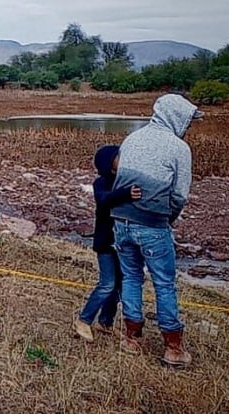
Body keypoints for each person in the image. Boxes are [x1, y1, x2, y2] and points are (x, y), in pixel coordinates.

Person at [111, 93, 203, 367]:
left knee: (131, 278)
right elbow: (179, 196)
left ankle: (131, 339)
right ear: (177, 117)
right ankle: (173, 349)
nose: (189, 125)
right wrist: (167, 220)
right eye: (188, 120)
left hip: (121, 222)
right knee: (163, 283)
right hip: (152, 225)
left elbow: (121, 182)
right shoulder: (178, 148)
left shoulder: (132, 138)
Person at [74, 145, 141, 342]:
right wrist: (126, 194)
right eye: (118, 156)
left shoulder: (126, 180)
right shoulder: (101, 183)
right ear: (109, 162)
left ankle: (106, 322)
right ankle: (84, 320)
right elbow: (104, 200)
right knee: (107, 284)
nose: (122, 158)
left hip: (124, 242)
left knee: (119, 285)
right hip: (105, 243)